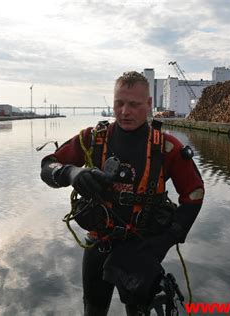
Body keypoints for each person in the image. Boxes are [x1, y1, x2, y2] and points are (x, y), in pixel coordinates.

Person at [40, 71, 204, 315]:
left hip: (143, 248)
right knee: (93, 309)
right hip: (99, 245)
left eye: (134, 104)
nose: (125, 111)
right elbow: (48, 165)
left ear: (148, 105)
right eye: (119, 103)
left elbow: (194, 194)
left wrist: (160, 246)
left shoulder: (167, 147)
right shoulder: (93, 139)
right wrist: (71, 173)